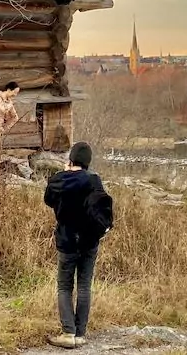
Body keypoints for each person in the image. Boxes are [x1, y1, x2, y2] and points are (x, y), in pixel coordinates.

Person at [44, 142, 114, 349]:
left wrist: (65, 174)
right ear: (87, 161)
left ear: (70, 159)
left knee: (65, 286)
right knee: (84, 286)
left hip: (67, 241)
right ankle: (80, 334)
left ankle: (68, 333)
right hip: (89, 241)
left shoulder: (58, 180)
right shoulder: (93, 180)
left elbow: (48, 200)